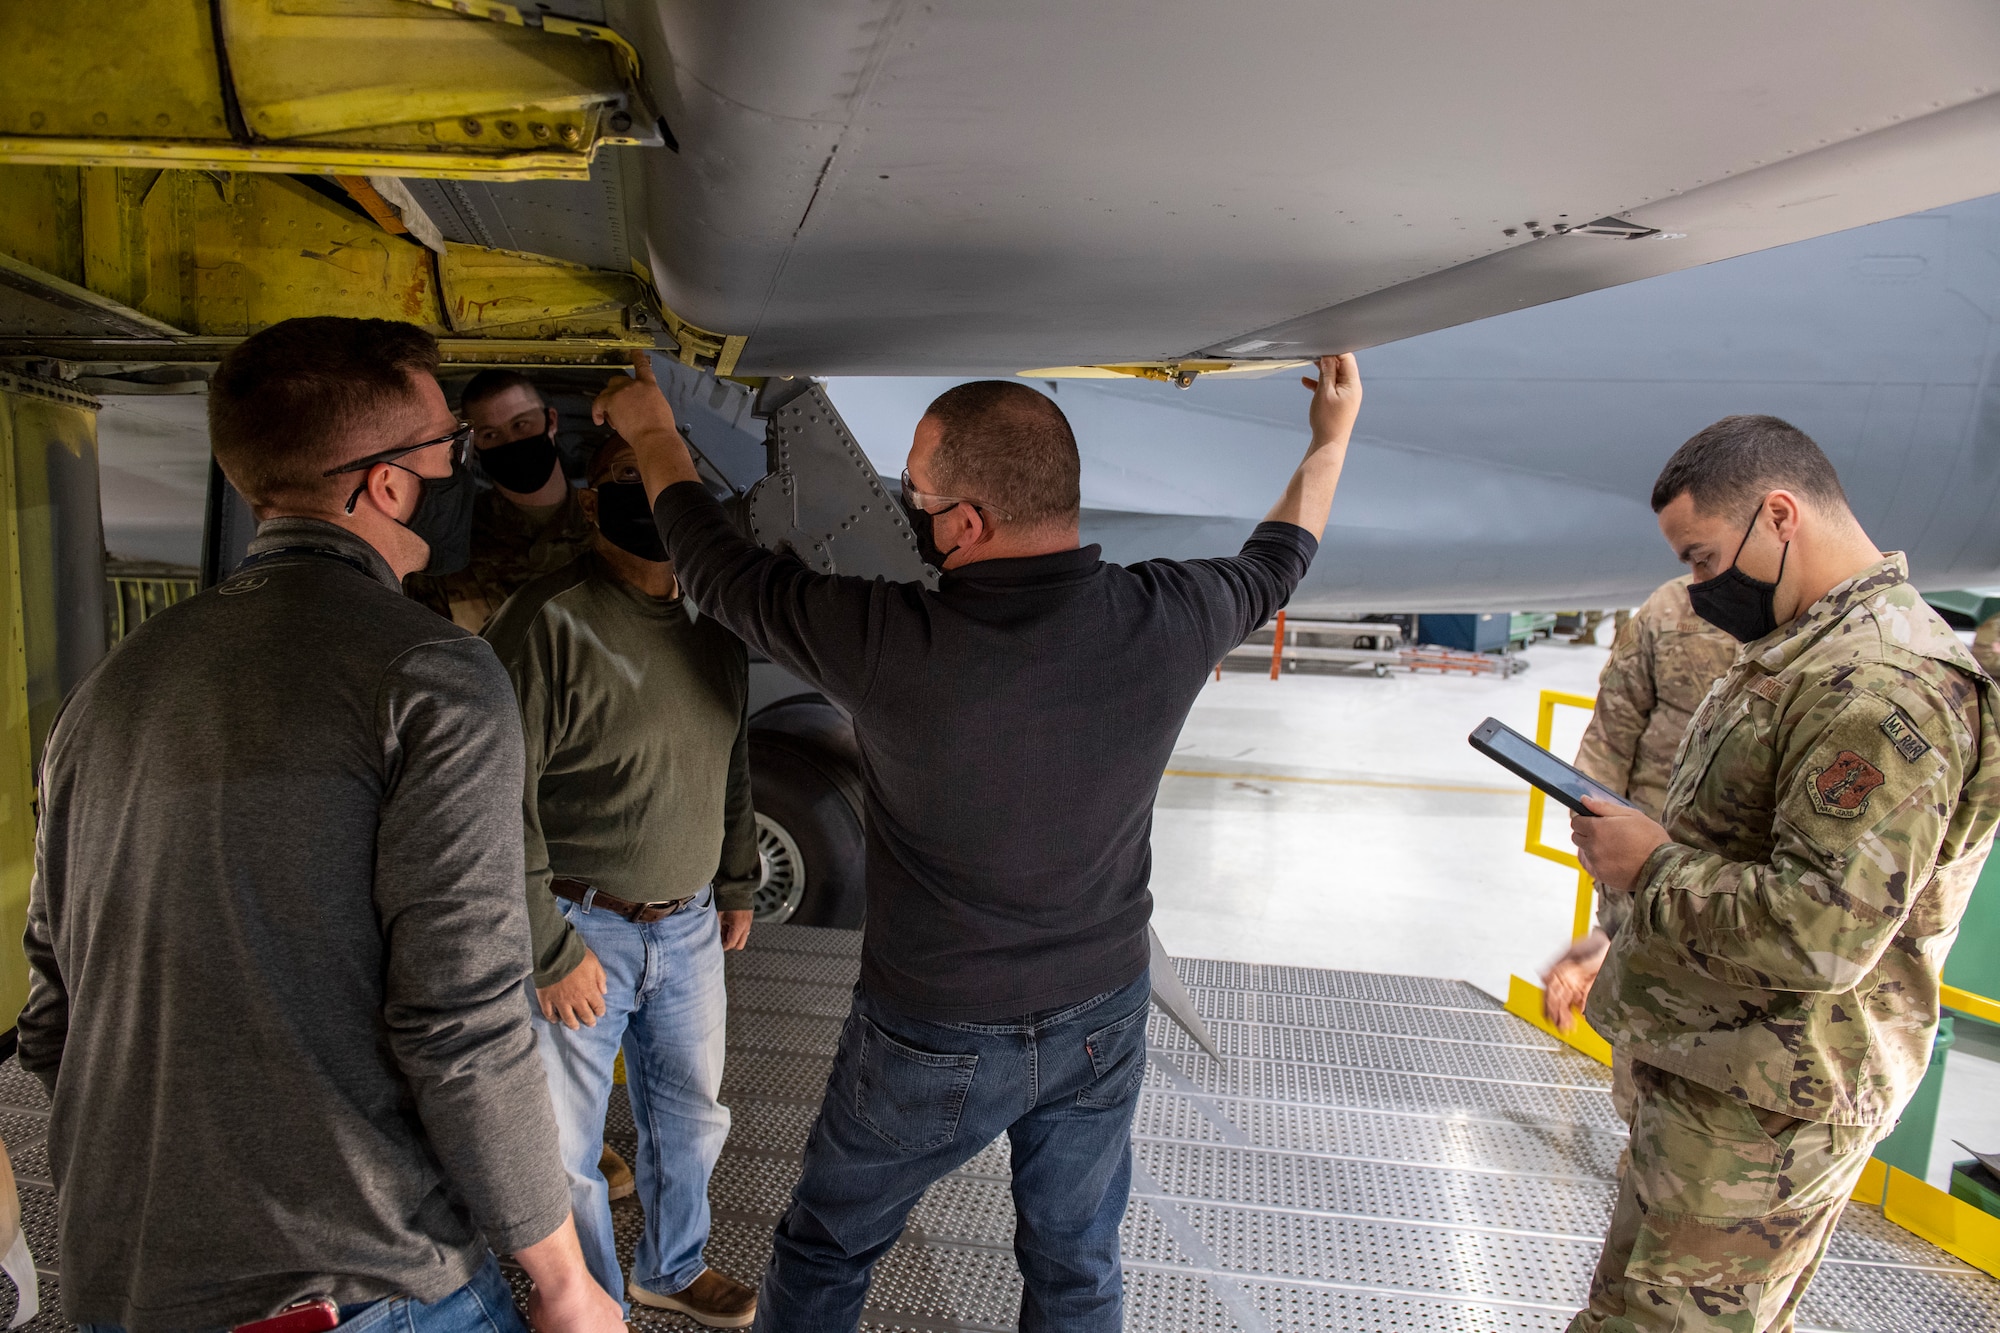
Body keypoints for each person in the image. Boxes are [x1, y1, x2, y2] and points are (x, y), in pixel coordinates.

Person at [593, 350, 1362, 1333]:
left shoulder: (888, 642)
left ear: (964, 523)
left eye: (917, 494)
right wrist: (1328, 439)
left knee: (828, 1249)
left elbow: (717, 567)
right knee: (1076, 1267)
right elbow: (1279, 556)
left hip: (933, 1033)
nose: (911, 507)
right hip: (1101, 1012)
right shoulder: (1170, 612)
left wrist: (654, 430)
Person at [16, 317, 624, 1333]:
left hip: (124, 1276)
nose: (463, 476)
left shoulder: (114, 686)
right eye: (451, 454)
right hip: (360, 1286)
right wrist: (562, 1276)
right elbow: (462, 1025)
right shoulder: (431, 676)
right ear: (386, 484)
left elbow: (52, 1015)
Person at [1567, 414, 2000, 1333]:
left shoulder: (1880, 684)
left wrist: (1651, 865)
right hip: (1719, 1072)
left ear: (1779, 516)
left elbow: (1823, 930)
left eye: (1703, 558)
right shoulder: (1807, 647)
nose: (1696, 589)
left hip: (1772, 1100)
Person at [483, 436, 761, 1327]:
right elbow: (493, 802)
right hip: (580, 923)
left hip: (685, 928)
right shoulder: (544, 622)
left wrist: (737, 880)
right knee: (566, 1145)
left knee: (692, 1119)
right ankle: (592, 1297)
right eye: (621, 484)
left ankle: (670, 1268)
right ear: (593, 504)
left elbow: (733, 756)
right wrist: (545, 942)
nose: (645, 501)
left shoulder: (713, 625)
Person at [1540, 575, 1737, 1114]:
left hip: (1744, 928)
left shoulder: (1822, 636)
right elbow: (1606, 747)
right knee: (1642, 1102)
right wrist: (1615, 925)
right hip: (1649, 890)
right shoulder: (1668, 611)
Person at [407, 369, 594, 631]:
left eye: (521, 424)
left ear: (550, 421)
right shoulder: (450, 544)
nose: (511, 442)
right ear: (477, 445)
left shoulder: (610, 525)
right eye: (491, 435)